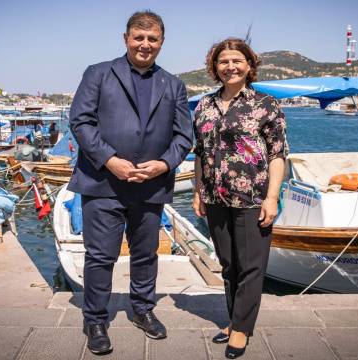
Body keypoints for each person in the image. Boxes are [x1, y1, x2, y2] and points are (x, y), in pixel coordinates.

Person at [68, 10, 192, 355]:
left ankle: (143, 310)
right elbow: (80, 121)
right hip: (102, 183)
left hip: (151, 186)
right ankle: (94, 318)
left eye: (152, 39)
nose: (145, 44)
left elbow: (184, 136)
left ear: (161, 43)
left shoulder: (174, 84)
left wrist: (163, 164)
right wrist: (110, 160)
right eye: (139, 37)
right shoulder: (98, 74)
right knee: (100, 256)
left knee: (145, 254)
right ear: (126, 39)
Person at [192, 38, 287, 359]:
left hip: (252, 197)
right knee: (229, 264)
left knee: (251, 266)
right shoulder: (204, 105)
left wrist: (272, 197)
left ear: (249, 65)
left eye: (237, 61)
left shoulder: (266, 104)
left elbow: (277, 154)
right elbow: (200, 153)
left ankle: (242, 329)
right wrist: (197, 191)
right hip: (215, 197)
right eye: (223, 62)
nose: (230, 66)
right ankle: (235, 320)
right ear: (214, 67)